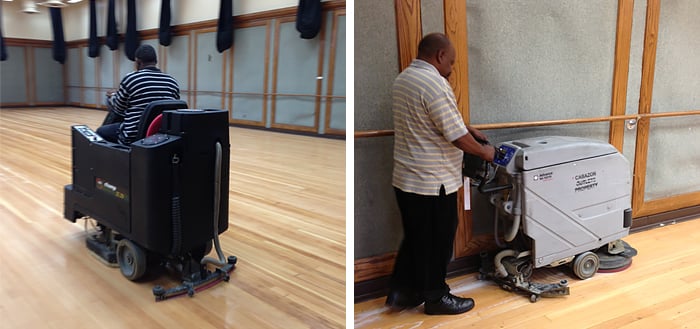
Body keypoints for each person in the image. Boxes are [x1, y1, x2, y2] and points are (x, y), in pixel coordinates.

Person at [387, 33, 496, 315]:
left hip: (406, 179)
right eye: (452, 61)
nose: (452, 68)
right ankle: (436, 297)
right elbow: (455, 136)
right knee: (438, 242)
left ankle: (404, 292)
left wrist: (468, 128)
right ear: (440, 56)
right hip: (432, 183)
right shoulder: (434, 83)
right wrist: (486, 153)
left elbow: (431, 119)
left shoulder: (404, 79)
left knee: (415, 238)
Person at [96, 44, 180, 144]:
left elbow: (118, 109)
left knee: (101, 130)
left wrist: (113, 96)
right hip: (161, 137)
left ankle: (119, 152)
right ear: (156, 61)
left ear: (137, 62)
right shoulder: (172, 81)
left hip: (133, 137)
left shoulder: (131, 78)